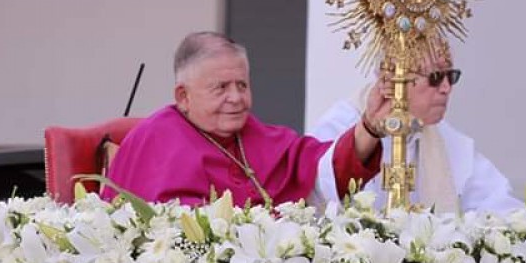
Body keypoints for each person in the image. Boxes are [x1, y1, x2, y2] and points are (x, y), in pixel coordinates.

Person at [102, 32, 389, 207]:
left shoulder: (258, 136)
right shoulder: (156, 140)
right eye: (221, 88)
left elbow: (323, 168)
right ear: (183, 96)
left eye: (242, 85)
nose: (236, 98)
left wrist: (370, 127)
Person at [310, 38, 522, 214]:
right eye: (436, 77)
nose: (446, 88)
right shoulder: (341, 125)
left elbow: (501, 206)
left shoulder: (447, 141)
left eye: (451, 76)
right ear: (392, 77)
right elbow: (317, 198)